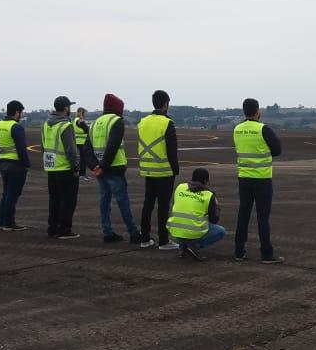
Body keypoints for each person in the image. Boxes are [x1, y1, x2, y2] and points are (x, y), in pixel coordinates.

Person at [233, 98, 284, 264]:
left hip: (244, 178)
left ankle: (239, 251)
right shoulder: (263, 129)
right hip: (262, 179)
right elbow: (277, 150)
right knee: (262, 217)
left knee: (243, 214)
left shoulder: (237, 129)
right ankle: (266, 254)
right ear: (257, 111)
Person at [87, 93, 143, 243]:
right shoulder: (117, 121)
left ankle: (107, 232)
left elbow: (86, 148)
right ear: (117, 108)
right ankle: (133, 232)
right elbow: (113, 146)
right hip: (114, 168)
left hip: (99, 169)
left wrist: (94, 166)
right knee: (122, 201)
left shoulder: (94, 123)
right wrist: (103, 166)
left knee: (104, 201)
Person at [137, 90, 180, 250]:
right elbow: (172, 150)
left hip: (148, 169)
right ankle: (163, 240)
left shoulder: (143, 122)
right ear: (166, 104)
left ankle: (145, 238)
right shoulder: (167, 123)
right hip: (164, 171)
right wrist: (175, 169)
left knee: (147, 204)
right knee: (163, 206)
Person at [43, 96, 81, 239]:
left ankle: (52, 228)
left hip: (51, 168)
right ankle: (64, 229)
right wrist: (76, 167)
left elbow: (43, 146)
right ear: (66, 108)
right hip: (65, 168)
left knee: (54, 200)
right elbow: (71, 150)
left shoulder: (46, 124)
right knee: (68, 200)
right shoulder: (66, 125)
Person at [167, 168, 225, 261]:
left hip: (175, 230)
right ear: (206, 181)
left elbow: (176, 204)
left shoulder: (180, 187)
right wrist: (216, 205)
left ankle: (183, 247)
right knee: (220, 231)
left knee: (186, 220)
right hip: (192, 231)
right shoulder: (208, 195)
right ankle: (195, 246)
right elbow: (214, 219)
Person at [0, 100, 31, 231]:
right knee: (12, 195)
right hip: (16, 165)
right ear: (16, 112)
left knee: (6, 194)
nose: (21, 115)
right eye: (21, 113)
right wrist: (26, 164)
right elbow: (22, 149)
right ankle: (9, 222)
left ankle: (1, 221)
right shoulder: (16, 127)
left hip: (3, 163)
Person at [74, 107, 91, 178]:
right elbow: (87, 129)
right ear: (81, 113)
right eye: (84, 113)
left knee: (83, 158)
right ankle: (82, 174)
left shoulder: (76, 120)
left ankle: (83, 174)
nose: (85, 115)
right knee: (83, 158)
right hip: (82, 142)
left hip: (79, 141)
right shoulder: (79, 121)